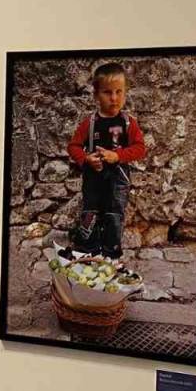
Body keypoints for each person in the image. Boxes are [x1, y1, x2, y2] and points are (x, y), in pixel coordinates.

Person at [66, 62, 147, 258]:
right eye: (107, 92)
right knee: (90, 213)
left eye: (119, 92)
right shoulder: (90, 123)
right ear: (96, 95)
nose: (114, 98)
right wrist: (86, 159)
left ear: (125, 93)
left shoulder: (128, 123)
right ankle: (89, 251)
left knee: (114, 215)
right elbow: (73, 146)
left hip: (118, 180)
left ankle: (111, 254)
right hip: (93, 179)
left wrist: (118, 155)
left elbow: (140, 148)